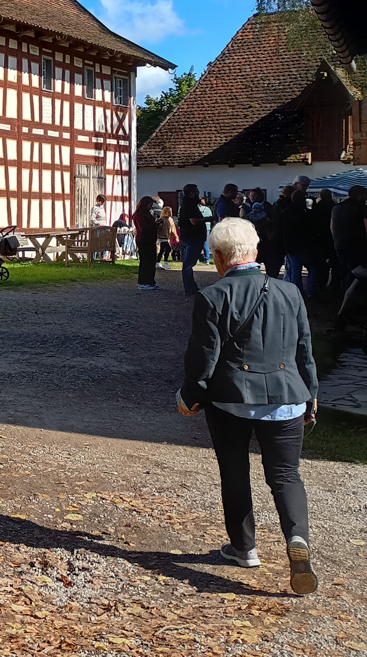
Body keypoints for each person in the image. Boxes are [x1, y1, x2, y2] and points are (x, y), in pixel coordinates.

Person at [177, 217, 319, 595]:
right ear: (255, 252)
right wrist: (311, 395)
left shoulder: (212, 297)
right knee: (286, 475)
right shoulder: (290, 292)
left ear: (218, 257)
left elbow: (202, 359)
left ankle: (244, 548)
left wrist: (190, 397)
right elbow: (304, 348)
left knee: (234, 471)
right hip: (287, 397)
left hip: (231, 400)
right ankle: (297, 539)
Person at [279, 189, 318, 297]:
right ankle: (311, 291)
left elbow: (282, 230)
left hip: (292, 246)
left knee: (294, 272)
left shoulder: (286, 212)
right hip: (307, 245)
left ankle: (297, 293)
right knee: (313, 268)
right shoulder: (308, 213)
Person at [331, 185, 367, 291]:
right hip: (357, 244)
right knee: (355, 271)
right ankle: (351, 293)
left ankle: (343, 291)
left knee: (344, 269)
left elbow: (331, 227)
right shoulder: (361, 208)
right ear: (359, 196)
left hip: (339, 243)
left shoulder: (336, 208)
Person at [178, 184, 208, 295]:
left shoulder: (186, 204)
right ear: (191, 193)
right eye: (197, 192)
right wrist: (207, 219)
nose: (198, 194)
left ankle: (191, 286)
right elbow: (194, 221)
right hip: (192, 237)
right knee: (188, 264)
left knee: (187, 263)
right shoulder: (190, 205)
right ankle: (190, 288)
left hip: (188, 236)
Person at [132, 196, 159, 290]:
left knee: (151, 261)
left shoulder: (147, 213)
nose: (150, 207)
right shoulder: (140, 215)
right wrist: (154, 225)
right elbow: (143, 228)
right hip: (144, 240)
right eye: (149, 205)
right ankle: (143, 282)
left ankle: (150, 281)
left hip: (150, 239)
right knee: (145, 261)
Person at [312, 189, 336, 292]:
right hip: (332, 237)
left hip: (319, 238)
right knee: (334, 262)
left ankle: (320, 282)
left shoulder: (317, 207)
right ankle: (334, 283)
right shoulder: (333, 206)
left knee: (320, 263)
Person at [156, 205, 176, 270]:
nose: (170, 213)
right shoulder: (162, 220)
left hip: (166, 237)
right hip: (161, 237)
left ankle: (161, 261)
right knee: (166, 249)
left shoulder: (169, 220)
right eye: (169, 212)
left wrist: (174, 235)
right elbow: (158, 227)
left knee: (164, 250)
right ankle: (160, 262)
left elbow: (172, 228)